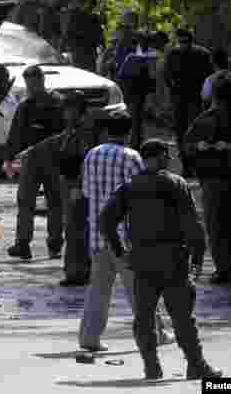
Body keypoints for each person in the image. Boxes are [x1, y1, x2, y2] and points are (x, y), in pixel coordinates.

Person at [101, 138, 221, 380]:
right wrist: (198, 257)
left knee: (143, 318)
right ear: (161, 156)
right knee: (182, 317)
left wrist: (120, 252)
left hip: (142, 261)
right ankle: (196, 366)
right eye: (167, 155)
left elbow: (106, 221)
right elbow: (193, 225)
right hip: (172, 260)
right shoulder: (175, 183)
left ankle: (152, 368)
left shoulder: (130, 187)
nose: (170, 159)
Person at [78, 110, 171, 352]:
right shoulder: (131, 157)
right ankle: (155, 334)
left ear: (105, 131)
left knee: (98, 289)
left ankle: (89, 338)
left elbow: (87, 193)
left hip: (98, 233)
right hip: (127, 238)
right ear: (129, 133)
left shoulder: (91, 155)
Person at [15, 92, 95, 283]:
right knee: (73, 228)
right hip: (69, 183)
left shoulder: (85, 130)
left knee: (76, 229)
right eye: (66, 109)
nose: (66, 113)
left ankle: (78, 272)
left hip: (77, 184)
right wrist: (32, 151)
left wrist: (78, 186)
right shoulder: (72, 129)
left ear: (78, 109)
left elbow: (83, 159)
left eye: (70, 109)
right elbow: (57, 143)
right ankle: (75, 271)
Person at [183, 70, 231, 284]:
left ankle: (222, 267)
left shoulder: (204, 118)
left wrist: (202, 147)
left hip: (213, 180)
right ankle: (224, 266)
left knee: (216, 224)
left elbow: (188, 147)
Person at [5, 65, 65, 259]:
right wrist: (9, 159)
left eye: (33, 83)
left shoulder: (57, 103)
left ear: (42, 81)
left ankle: (54, 243)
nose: (31, 87)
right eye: (28, 83)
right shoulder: (25, 105)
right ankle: (23, 244)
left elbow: (66, 133)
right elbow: (15, 134)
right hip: (31, 161)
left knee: (55, 203)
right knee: (25, 202)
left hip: (53, 160)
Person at [164, 29, 213, 178]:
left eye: (186, 42)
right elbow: (166, 75)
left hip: (195, 100)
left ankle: (195, 165)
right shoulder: (173, 54)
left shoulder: (202, 54)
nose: (183, 45)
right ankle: (186, 166)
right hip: (180, 99)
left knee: (195, 133)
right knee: (181, 133)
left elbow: (208, 76)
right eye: (181, 42)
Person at [116, 32, 160, 149]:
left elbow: (152, 77)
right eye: (141, 42)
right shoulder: (129, 52)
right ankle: (132, 143)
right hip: (130, 89)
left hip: (140, 90)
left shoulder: (151, 54)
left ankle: (136, 143)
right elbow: (122, 72)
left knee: (138, 120)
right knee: (133, 118)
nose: (143, 44)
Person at [60, 0, 105, 72]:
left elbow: (67, 34)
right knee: (87, 73)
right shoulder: (92, 18)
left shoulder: (75, 16)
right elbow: (99, 35)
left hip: (81, 52)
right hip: (86, 52)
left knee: (81, 72)